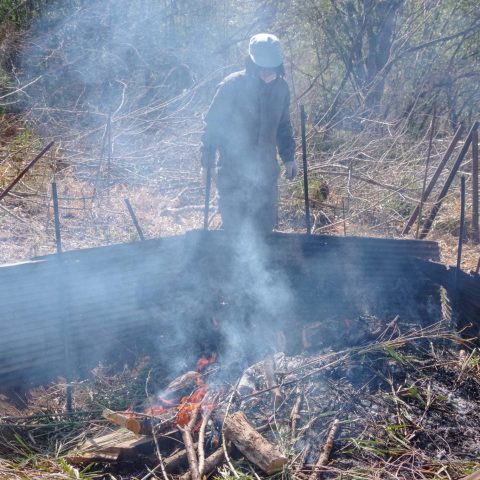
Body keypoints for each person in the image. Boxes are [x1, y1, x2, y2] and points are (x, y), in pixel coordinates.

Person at [200, 33, 297, 233]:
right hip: (233, 173)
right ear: (252, 62)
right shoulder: (232, 85)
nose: (267, 71)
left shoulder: (281, 89)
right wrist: (206, 163)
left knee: (265, 232)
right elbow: (213, 126)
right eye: (262, 66)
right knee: (233, 232)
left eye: (271, 66)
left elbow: (283, 126)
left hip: (266, 174)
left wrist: (289, 158)